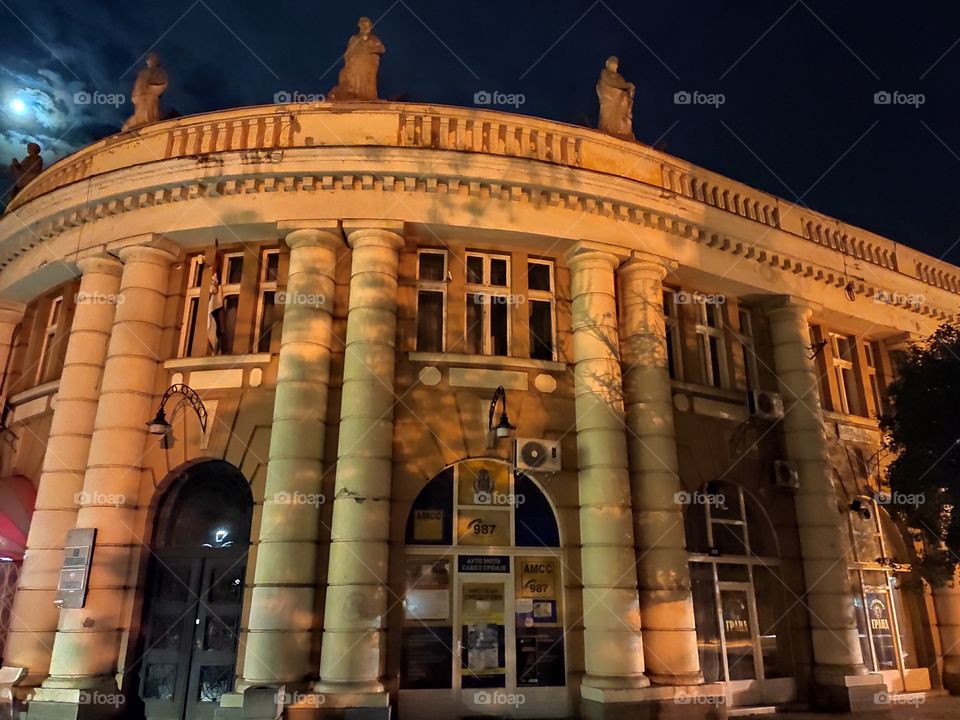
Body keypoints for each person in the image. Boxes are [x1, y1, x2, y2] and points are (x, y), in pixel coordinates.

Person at [328, 17, 385, 101]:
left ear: (370, 27)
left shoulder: (374, 38)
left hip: (369, 64)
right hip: (356, 63)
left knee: (366, 72)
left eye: (367, 26)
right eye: (363, 26)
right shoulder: (355, 38)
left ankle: (367, 95)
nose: (365, 28)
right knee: (353, 70)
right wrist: (349, 60)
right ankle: (354, 93)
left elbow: (382, 49)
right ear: (360, 27)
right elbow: (348, 53)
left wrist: (369, 49)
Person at [123, 52, 168, 131]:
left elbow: (163, 83)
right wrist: (134, 93)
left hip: (150, 95)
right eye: (149, 59)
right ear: (147, 61)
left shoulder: (160, 72)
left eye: (153, 59)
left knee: (150, 115)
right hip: (139, 96)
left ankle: (149, 126)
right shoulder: (142, 73)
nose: (151, 61)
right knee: (140, 114)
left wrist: (152, 88)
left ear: (157, 61)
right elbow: (137, 84)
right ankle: (138, 126)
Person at [597, 56, 635, 141]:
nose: (613, 66)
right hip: (609, 100)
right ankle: (608, 130)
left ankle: (620, 130)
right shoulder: (605, 73)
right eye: (611, 63)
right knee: (607, 117)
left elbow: (622, 87)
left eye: (615, 64)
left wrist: (628, 89)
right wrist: (626, 85)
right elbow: (610, 83)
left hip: (620, 102)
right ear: (607, 64)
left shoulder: (619, 77)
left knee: (621, 110)